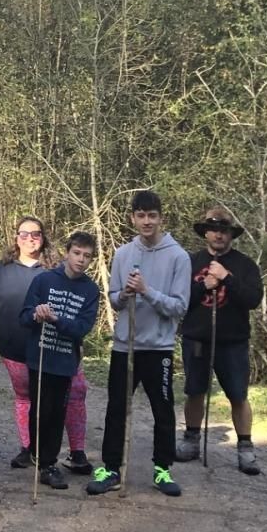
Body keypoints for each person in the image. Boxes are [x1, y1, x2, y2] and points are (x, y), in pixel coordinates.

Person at [87, 190, 191, 498]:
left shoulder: (178, 257)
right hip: (125, 346)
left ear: (161, 218)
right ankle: (110, 468)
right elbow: (114, 299)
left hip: (157, 348)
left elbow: (179, 307)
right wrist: (125, 295)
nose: (147, 221)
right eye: (141, 215)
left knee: (162, 409)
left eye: (152, 215)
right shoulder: (122, 254)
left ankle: (162, 469)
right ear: (133, 218)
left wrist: (147, 291)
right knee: (117, 408)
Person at [0, 216, 91, 473]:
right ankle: (29, 448)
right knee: (27, 398)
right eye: (24, 234)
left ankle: (76, 451)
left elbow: (78, 315)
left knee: (73, 394)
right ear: (15, 237)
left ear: (44, 238)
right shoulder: (0, 269)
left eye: (36, 234)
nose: (30, 239)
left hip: (57, 349)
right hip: (15, 348)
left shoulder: (55, 269)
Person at [177, 205, 266, 474]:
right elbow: (180, 300)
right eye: (213, 229)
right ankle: (191, 439)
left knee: (238, 395)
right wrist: (205, 285)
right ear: (205, 233)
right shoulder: (190, 262)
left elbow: (253, 299)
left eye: (223, 230)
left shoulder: (245, 265)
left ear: (231, 235)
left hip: (233, 341)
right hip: (196, 339)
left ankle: (246, 448)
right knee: (195, 391)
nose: (218, 235)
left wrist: (226, 278)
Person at [19, 232, 101, 489]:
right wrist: (37, 314)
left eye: (87, 256)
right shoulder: (44, 280)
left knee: (57, 413)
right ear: (67, 252)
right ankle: (40, 458)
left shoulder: (90, 290)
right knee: (40, 410)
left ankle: (49, 462)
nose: (81, 260)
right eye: (77, 253)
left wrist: (56, 319)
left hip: (65, 362)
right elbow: (23, 317)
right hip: (40, 358)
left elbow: (81, 328)